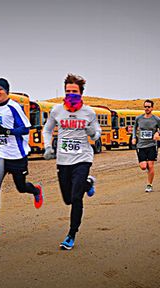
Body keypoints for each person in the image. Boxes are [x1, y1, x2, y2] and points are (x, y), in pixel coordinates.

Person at [42, 73, 101, 250]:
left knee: (76, 198)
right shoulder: (57, 110)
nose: (70, 94)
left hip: (83, 158)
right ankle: (88, 183)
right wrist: (47, 147)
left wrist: (91, 132)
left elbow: (97, 133)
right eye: (68, 91)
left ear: (81, 93)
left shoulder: (89, 112)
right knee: (67, 199)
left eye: (74, 91)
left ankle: (71, 234)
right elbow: (47, 130)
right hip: (63, 159)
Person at [0, 78, 43, 237]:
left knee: (21, 187)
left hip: (16, 156)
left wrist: (7, 131)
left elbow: (25, 129)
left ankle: (36, 190)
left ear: (6, 91)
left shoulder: (14, 107)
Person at [131, 99, 160, 193]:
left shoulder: (156, 119)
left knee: (150, 165)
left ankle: (149, 185)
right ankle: (147, 170)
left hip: (152, 145)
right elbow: (134, 127)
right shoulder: (139, 118)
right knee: (143, 166)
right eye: (145, 106)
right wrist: (134, 137)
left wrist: (158, 133)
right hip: (141, 145)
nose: (147, 108)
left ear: (152, 108)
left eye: (148, 107)